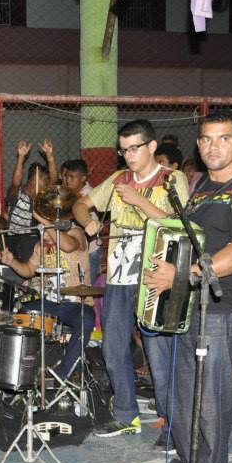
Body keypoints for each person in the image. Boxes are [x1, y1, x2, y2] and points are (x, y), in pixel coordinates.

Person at [142, 111, 232, 463]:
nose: (214, 146)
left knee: (210, 403)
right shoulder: (200, 188)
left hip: (221, 310)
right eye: (207, 139)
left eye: (224, 138)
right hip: (188, 307)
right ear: (198, 145)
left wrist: (183, 274)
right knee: (183, 398)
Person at [73, 119, 190, 438]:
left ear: (151, 146)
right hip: (118, 276)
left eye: (134, 148)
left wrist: (138, 200)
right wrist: (87, 221)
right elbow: (80, 204)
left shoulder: (172, 179)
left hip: (156, 277)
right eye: (123, 150)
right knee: (113, 348)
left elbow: (179, 225)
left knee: (158, 352)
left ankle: (173, 423)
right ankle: (127, 414)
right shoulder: (118, 179)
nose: (128, 156)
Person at [0, 211, 96, 384]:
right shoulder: (40, 246)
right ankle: (21, 371)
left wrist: (44, 220)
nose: (43, 234)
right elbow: (29, 270)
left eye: (45, 228)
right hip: (50, 304)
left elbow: (68, 246)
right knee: (22, 313)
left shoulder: (77, 233)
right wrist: (12, 262)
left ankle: (61, 373)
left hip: (77, 305)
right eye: (41, 230)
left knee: (86, 321)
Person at [5, 139, 57, 263]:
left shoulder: (41, 199)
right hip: (16, 240)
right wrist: (21, 158)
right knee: (33, 240)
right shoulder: (18, 194)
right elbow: (15, 182)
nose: (48, 184)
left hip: (32, 242)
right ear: (35, 179)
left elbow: (54, 180)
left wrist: (50, 157)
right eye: (46, 180)